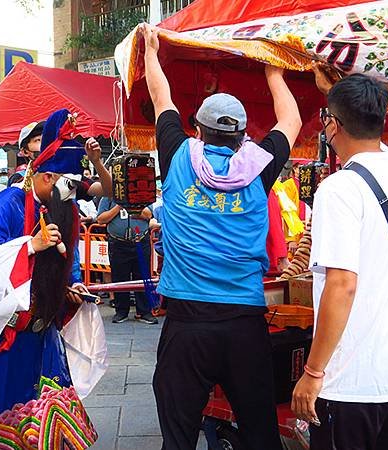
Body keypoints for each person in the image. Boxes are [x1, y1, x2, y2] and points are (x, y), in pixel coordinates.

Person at [141, 23, 302, 450]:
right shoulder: (260, 167)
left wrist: (152, 52)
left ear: (198, 129)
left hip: (187, 323)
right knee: (260, 432)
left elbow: (162, 98)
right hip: (244, 324)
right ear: (242, 135)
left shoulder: (177, 154)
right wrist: (274, 74)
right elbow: (292, 119)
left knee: (177, 437)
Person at [0, 109, 106, 450]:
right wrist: (29, 246)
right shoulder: (5, 204)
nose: (72, 193)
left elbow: (67, 256)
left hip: (39, 324)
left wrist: (72, 284)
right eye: (68, 185)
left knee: (45, 403)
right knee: (2, 405)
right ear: (47, 177)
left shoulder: (60, 205)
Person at [291, 74, 388, 450]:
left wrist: (313, 373)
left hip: (350, 380)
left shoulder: (339, 188)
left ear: (333, 124)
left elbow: (342, 284)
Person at [96, 195, 158, 324]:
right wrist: (119, 206)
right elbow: (101, 219)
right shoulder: (107, 197)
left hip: (140, 241)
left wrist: (131, 206)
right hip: (118, 242)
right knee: (119, 276)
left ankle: (144, 311)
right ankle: (121, 311)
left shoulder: (141, 193)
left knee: (142, 276)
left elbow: (148, 215)